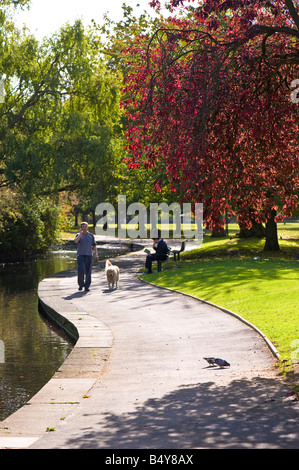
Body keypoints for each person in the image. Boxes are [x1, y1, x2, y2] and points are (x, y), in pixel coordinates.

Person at [74, 222, 98, 291]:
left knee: (88, 272)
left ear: (87, 227)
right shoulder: (78, 235)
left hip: (89, 255)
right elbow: (75, 241)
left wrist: (96, 254)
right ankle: (81, 285)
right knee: (80, 270)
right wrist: (80, 234)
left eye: (85, 226)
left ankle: (87, 286)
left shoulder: (91, 235)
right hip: (80, 255)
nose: (84, 228)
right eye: (83, 227)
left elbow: (94, 245)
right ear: (81, 228)